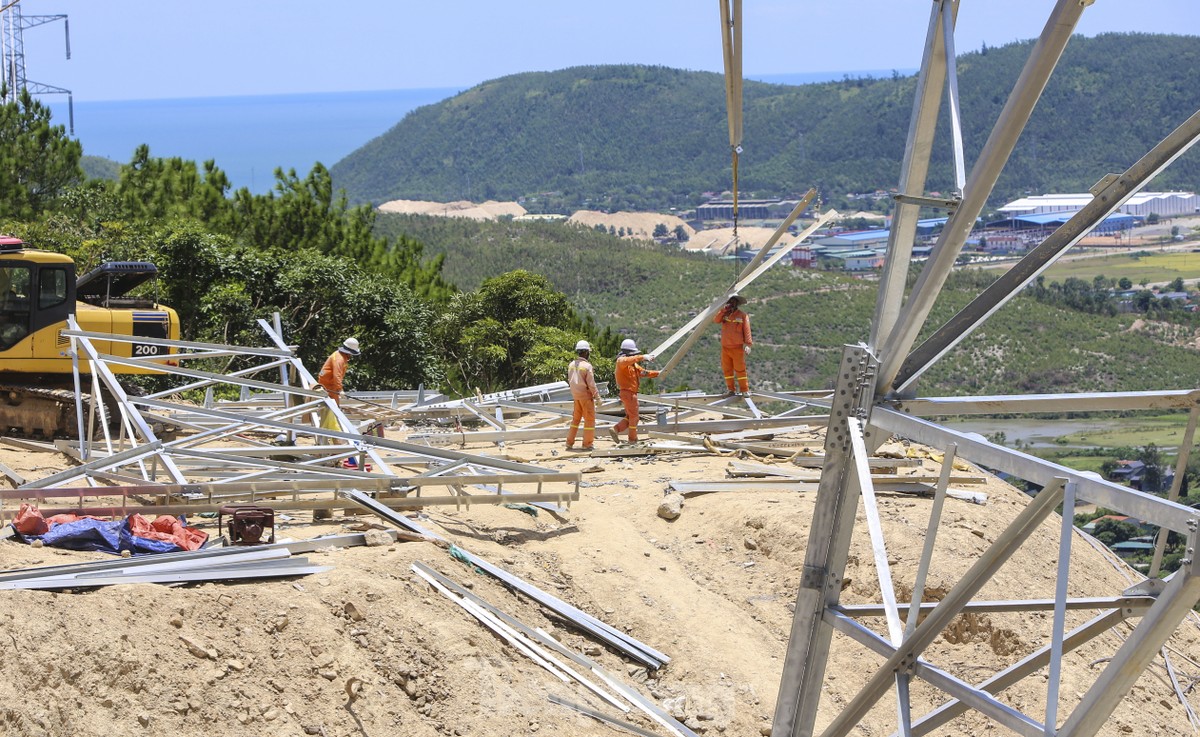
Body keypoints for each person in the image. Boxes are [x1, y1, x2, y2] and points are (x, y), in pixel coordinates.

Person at [610, 338, 659, 443]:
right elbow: (628, 360)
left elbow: (643, 373)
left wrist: (657, 373)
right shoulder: (621, 361)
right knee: (634, 417)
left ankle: (616, 429)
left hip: (629, 394)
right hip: (629, 393)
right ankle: (632, 439)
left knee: (629, 416)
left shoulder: (633, 365)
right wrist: (642, 357)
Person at [712, 292, 752, 395]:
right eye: (730, 301)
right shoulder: (724, 314)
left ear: (737, 303)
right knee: (727, 369)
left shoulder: (742, 316)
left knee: (740, 369)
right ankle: (731, 389)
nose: (731, 303)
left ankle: (744, 390)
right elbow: (716, 320)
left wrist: (748, 345)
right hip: (725, 347)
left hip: (737, 348)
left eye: (733, 302)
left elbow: (747, 331)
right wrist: (724, 310)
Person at [565, 339, 601, 451]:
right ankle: (587, 444)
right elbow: (591, 384)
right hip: (586, 398)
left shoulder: (571, 365)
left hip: (576, 398)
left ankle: (569, 442)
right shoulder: (587, 366)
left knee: (575, 420)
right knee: (589, 421)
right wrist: (597, 397)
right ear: (586, 352)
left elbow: (570, 380)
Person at [317, 337, 360, 405]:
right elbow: (337, 375)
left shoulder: (340, 355)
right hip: (328, 385)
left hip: (329, 383)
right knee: (333, 406)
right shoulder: (339, 359)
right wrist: (340, 390)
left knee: (332, 405)